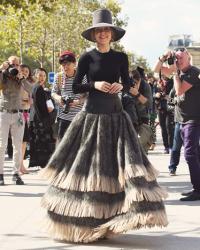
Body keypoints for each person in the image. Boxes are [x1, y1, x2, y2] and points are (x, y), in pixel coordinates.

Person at [41, 8, 168, 243]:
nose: (102, 34)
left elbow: (128, 83)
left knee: (116, 170)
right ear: (94, 34)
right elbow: (77, 86)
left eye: (106, 30)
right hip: (91, 117)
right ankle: (85, 224)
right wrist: (95, 84)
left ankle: (111, 220)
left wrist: (121, 86)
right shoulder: (87, 57)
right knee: (88, 172)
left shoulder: (120, 58)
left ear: (112, 33)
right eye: (98, 31)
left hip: (116, 116)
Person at [154, 47, 200, 201]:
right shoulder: (178, 71)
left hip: (193, 119)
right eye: (176, 58)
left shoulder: (193, 72)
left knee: (189, 154)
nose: (178, 61)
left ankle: (198, 190)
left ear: (188, 57)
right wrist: (163, 57)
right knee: (195, 154)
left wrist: (174, 73)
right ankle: (197, 187)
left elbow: (179, 90)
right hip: (181, 119)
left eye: (181, 58)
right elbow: (156, 71)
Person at [0, 56, 32, 185]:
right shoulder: (3, 75)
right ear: (8, 64)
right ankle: (0, 174)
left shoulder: (21, 77)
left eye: (17, 64)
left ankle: (16, 173)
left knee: (17, 146)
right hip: (3, 114)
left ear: (20, 66)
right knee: (1, 146)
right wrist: (2, 69)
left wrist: (22, 77)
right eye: (12, 64)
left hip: (18, 114)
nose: (14, 66)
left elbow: (31, 89)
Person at [51, 50, 86, 142]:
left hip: (79, 117)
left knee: (78, 145)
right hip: (63, 118)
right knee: (62, 146)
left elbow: (88, 96)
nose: (65, 67)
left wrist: (77, 102)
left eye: (68, 64)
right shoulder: (58, 77)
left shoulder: (82, 77)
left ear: (74, 63)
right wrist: (59, 98)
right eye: (63, 65)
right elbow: (53, 93)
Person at [29, 68, 56, 168]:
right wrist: (48, 111)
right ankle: (43, 163)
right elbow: (41, 106)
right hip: (41, 119)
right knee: (42, 141)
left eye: (44, 76)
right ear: (35, 76)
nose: (42, 78)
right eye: (40, 75)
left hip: (37, 118)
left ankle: (40, 162)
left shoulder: (36, 87)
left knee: (38, 141)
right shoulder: (38, 88)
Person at [19, 64, 35, 174]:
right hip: (16, 113)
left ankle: (21, 165)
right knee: (18, 142)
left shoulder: (30, 84)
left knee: (24, 142)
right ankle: (18, 166)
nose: (25, 72)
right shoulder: (16, 82)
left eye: (27, 71)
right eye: (22, 70)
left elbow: (32, 100)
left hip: (26, 113)